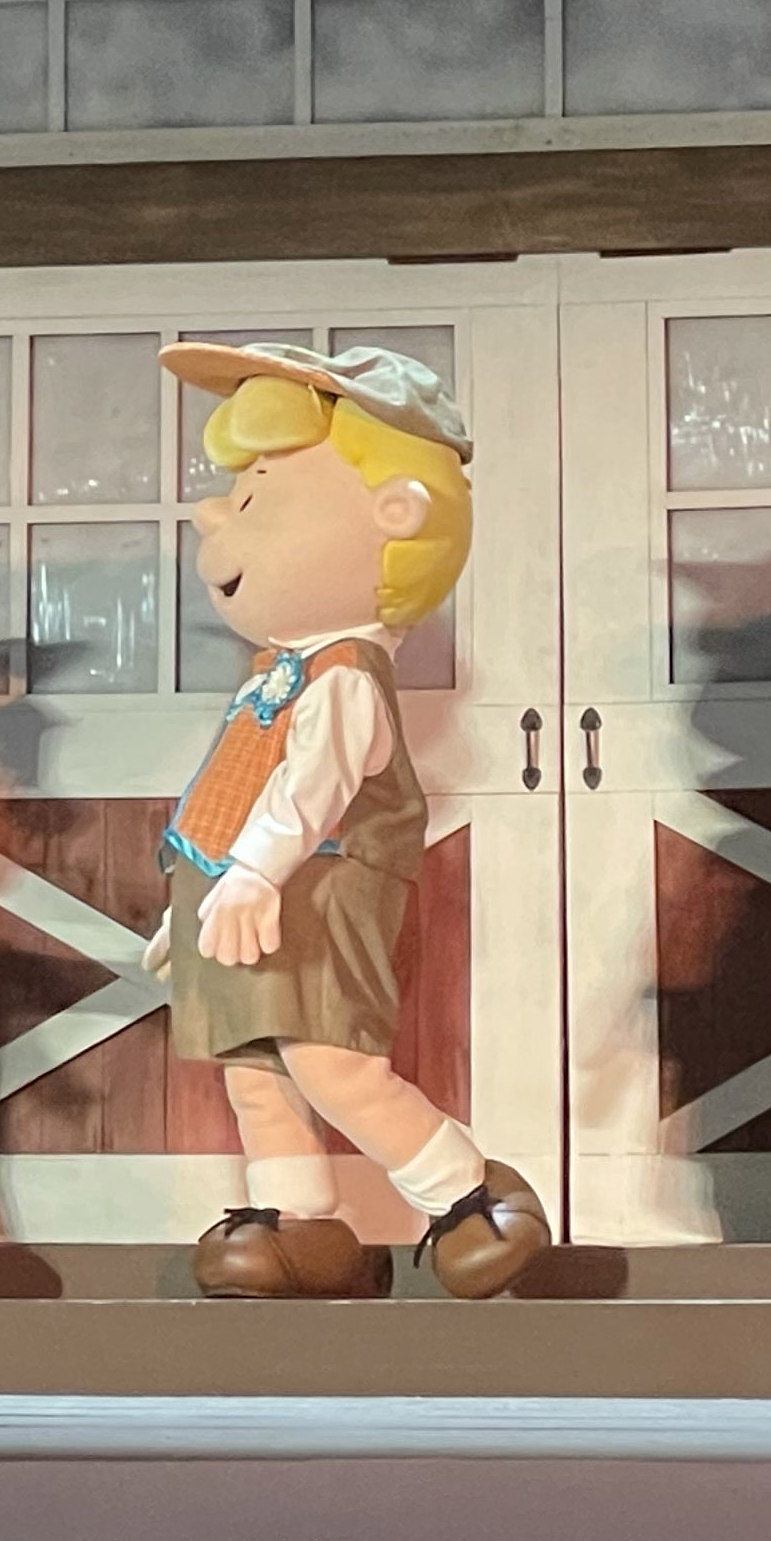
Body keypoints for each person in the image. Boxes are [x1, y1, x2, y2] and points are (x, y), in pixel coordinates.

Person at [155, 340, 547, 1301]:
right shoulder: (274, 675)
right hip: (238, 896)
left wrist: (254, 872)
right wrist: (191, 904)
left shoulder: (341, 677)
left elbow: (312, 787)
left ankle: (466, 1193)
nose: (219, 519)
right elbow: (234, 791)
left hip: (316, 888)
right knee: (252, 1062)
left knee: (329, 1056)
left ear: (393, 516)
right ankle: (295, 1219)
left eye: (259, 501)